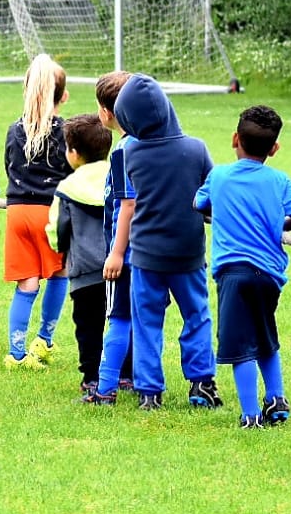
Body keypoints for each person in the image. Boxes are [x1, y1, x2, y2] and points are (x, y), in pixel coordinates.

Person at [193, 105, 291, 429]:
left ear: (235, 139)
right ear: (274, 148)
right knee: (264, 335)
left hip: (233, 274)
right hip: (268, 276)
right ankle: (276, 399)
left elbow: (198, 203)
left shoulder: (219, 176)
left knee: (240, 347)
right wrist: (280, 224)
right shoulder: (279, 180)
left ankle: (250, 416)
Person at [113, 74, 219, 410]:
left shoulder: (128, 153)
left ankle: (149, 391)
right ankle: (202, 384)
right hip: (188, 253)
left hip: (145, 255)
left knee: (146, 322)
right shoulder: (196, 149)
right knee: (197, 315)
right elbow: (211, 194)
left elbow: (127, 202)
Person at [2, 53, 72, 370]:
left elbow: (9, 166)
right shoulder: (66, 132)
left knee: (26, 283)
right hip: (50, 213)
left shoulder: (14, 130)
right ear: (63, 96)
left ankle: (16, 354)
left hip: (17, 213)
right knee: (60, 272)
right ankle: (43, 341)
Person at [46, 113, 112, 392]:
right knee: (123, 321)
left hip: (84, 270)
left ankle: (91, 377)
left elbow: (58, 228)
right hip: (121, 267)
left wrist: (60, 247)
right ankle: (126, 374)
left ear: (73, 153)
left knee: (87, 326)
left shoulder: (67, 188)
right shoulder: (119, 177)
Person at [82, 71, 136, 404]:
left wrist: (116, 252)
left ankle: (105, 388)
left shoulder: (122, 152)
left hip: (124, 253)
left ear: (106, 112)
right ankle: (143, 383)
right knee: (143, 319)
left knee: (117, 317)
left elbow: (127, 204)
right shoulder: (150, 145)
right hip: (148, 253)